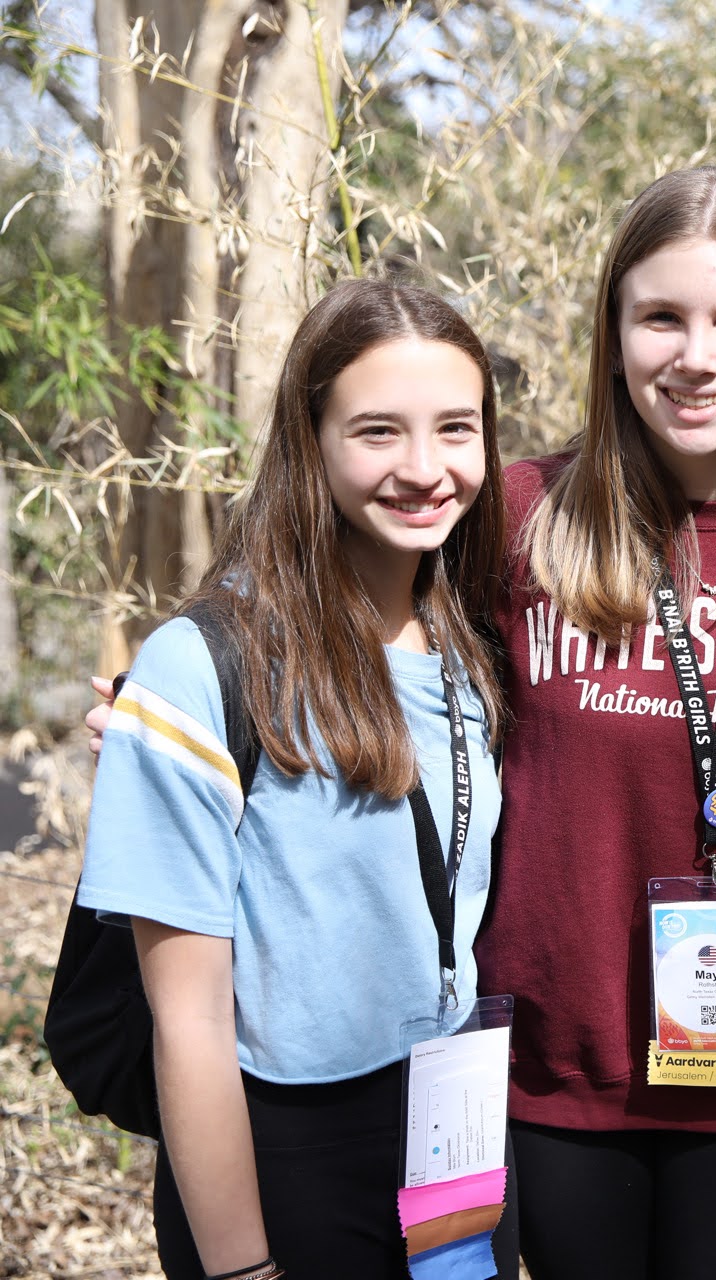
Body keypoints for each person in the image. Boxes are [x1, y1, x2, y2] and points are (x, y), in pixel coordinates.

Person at [77, 279, 513, 1280]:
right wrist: (241, 1266)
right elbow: (188, 1017)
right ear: (308, 438)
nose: (423, 468)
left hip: (456, 1120)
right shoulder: (208, 668)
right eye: (376, 431)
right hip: (286, 1147)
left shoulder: (470, 638)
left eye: (456, 427)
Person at [475, 166, 716, 1279]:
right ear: (612, 337)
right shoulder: (516, 518)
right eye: (661, 317)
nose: (696, 356)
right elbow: (352, 630)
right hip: (554, 1070)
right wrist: (201, 698)